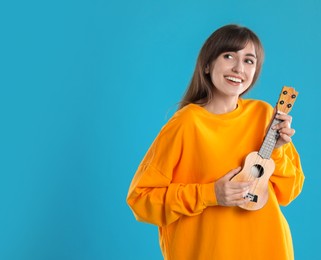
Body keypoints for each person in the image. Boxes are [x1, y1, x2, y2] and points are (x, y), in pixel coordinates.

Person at [126, 24, 304, 260]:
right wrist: (210, 194)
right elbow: (141, 200)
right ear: (207, 65)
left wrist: (278, 152)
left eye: (249, 60)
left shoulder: (264, 114)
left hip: (269, 249)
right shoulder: (185, 124)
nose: (239, 68)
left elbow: (289, 191)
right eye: (228, 56)